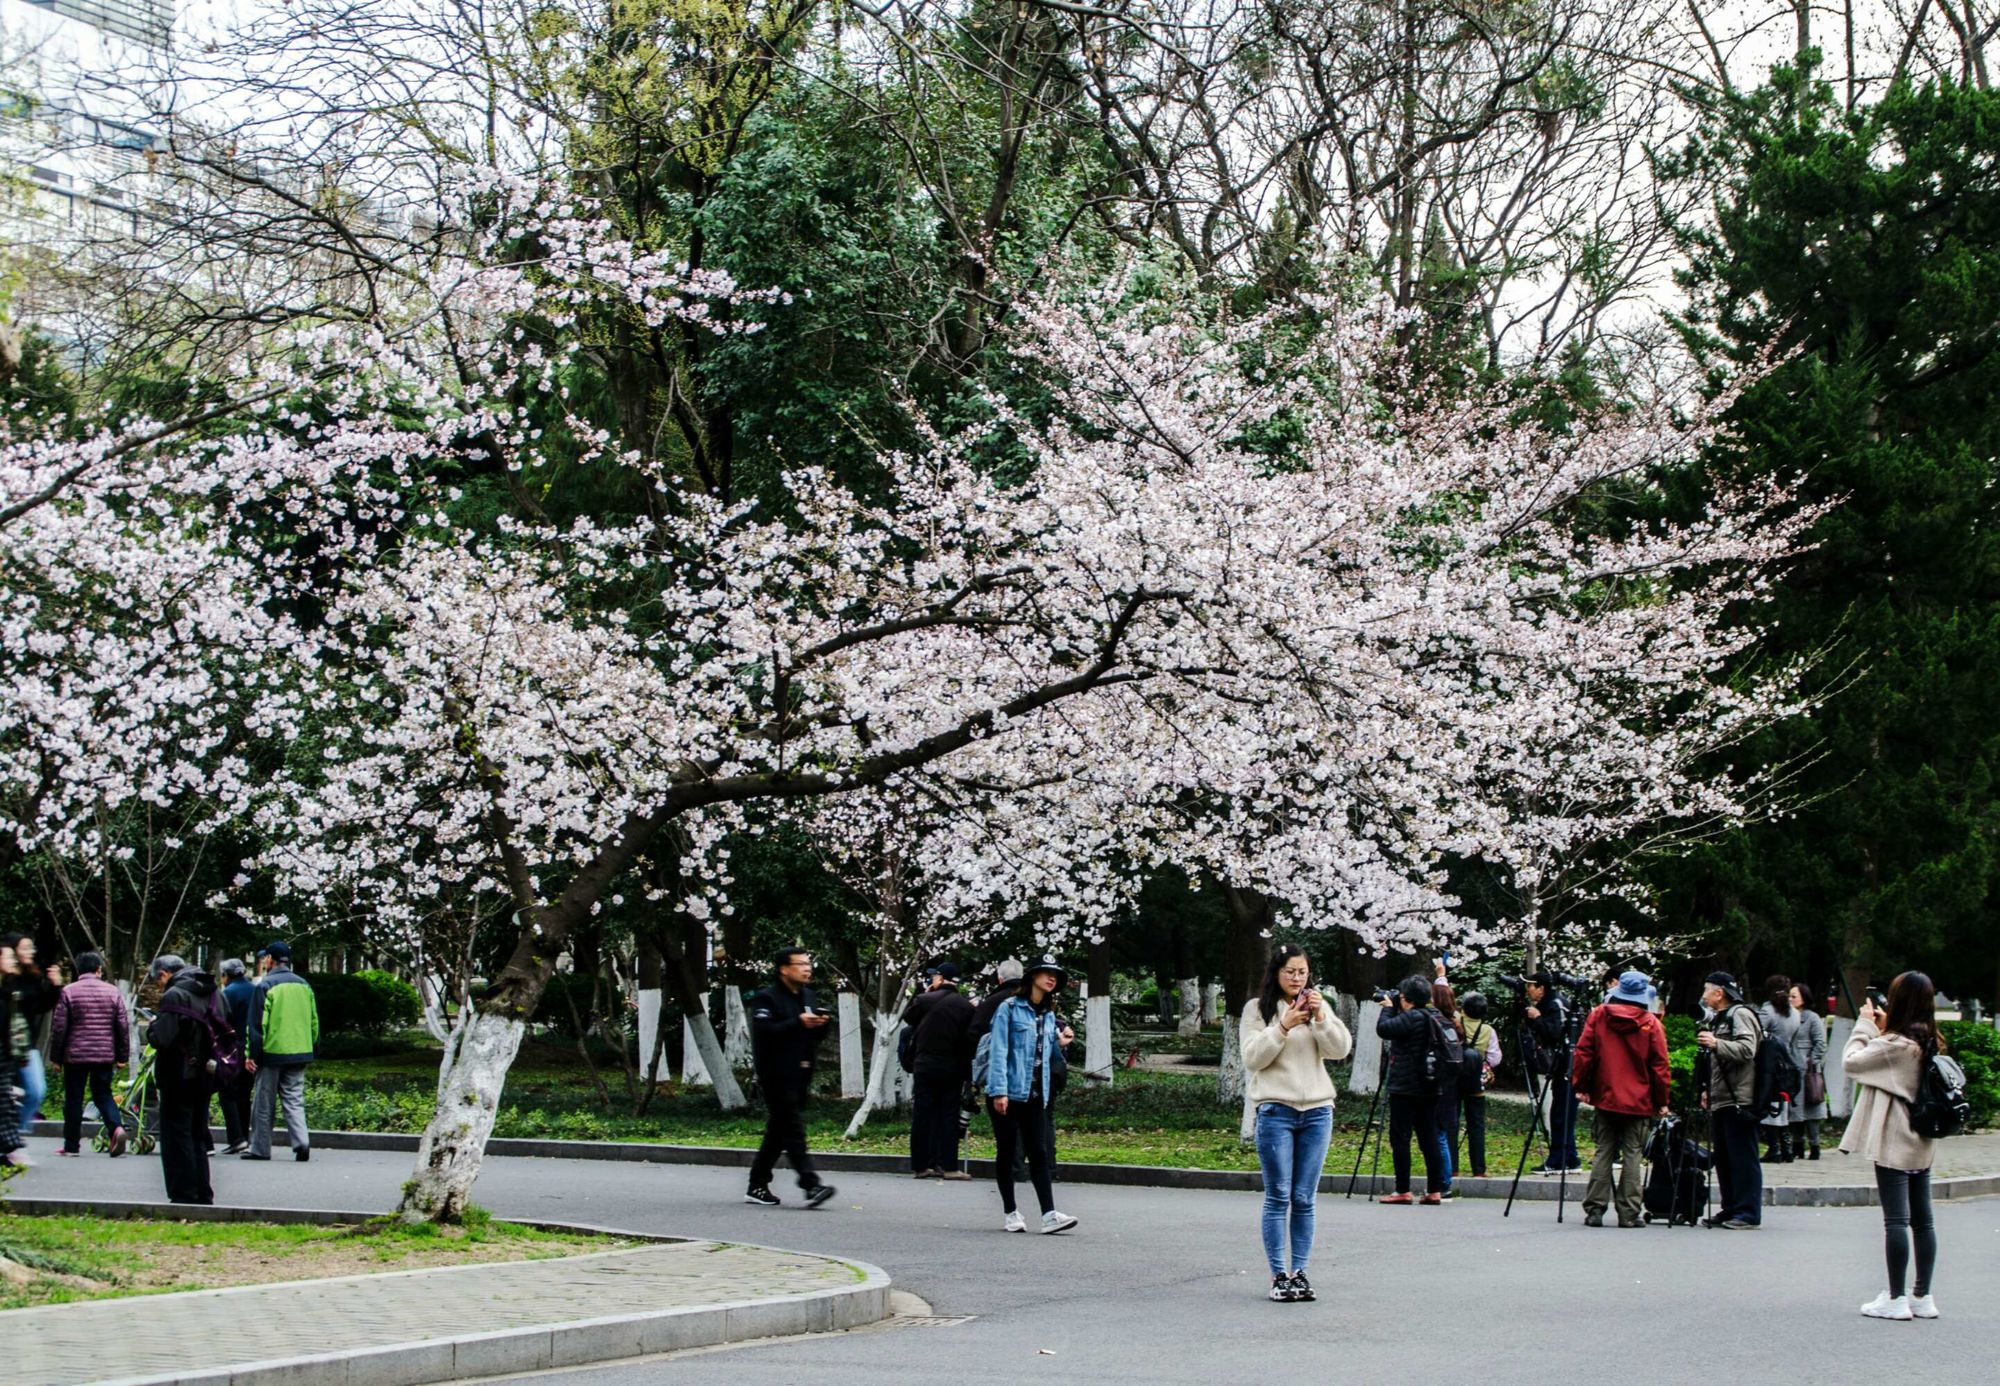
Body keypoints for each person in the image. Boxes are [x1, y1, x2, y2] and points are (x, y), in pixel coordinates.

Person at [1240, 944, 1352, 1302]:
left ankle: (1300, 1271)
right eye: (1290, 971)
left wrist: (1320, 1019)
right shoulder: (1257, 1010)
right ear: (1276, 973)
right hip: (1276, 1110)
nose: (1296, 978)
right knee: (1279, 1196)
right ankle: (1278, 1275)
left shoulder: (1320, 1006)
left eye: (1302, 972)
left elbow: (1339, 1050)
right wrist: (1283, 1026)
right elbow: (1253, 1058)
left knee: (1304, 1197)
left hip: (1318, 1111)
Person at [1842, 971, 1942, 1320]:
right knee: (1923, 1222)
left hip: (1893, 1138)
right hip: (1922, 1140)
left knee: (1896, 1221)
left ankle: (1896, 1298)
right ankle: (1922, 1296)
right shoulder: (1928, 1038)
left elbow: (1852, 1062)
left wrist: (1864, 1026)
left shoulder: (1894, 1045)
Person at [1572, 970, 1671, 1228]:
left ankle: (1595, 1209)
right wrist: (1662, 1100)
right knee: (1633, 1154)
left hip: (1606, 1094)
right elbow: (1660, 1066)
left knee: (1604, 1150)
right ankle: (1629, 1213)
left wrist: (1581, 1085)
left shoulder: (1599, 1016)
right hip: (1639, 1100)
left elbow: (1584, 1053)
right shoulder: (1651, 1024)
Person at [986, 958, 1078, 1233]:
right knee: (1007, 1152)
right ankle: (1010, 1212)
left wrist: (1059, 1044)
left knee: (1038, 1152)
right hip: (1008, 1093)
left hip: (1037, 1094)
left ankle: (1049, 1215)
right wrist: (999, 1090)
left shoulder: (1048, 1015)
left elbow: (1045, 1055)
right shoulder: (1009, 1008)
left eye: (1055, 977)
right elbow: (999, 1051)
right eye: (1047, 974)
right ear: (1033, 976)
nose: (1051, 980)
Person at [744, 948, 836, 1209]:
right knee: (792, 1127)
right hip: (775, 1072)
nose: (807, 969)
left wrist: (821, 1024)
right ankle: (811, 1184)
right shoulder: (766, 998)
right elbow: (765, 1032)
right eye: (801, 964)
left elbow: (812, 1036)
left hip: (801, 1070)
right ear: (784, 969)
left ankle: (757, 1184)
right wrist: (798, 1022)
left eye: (809, 964)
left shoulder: (808, 996)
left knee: (779, 1129)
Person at [146, 955, 225, 1204]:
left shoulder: (175, 995)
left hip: (177, 1074)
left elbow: (162, 1039)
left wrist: (152, 1026)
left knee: (176, 1135)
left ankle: (183, 1192)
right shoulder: (214, 992)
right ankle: (203, 1192)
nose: (160, 987)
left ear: (164, 974)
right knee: (198, 1133)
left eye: (158, 982)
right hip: (206, 1072)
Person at [1696, 971, 1763, 1229]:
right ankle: (1730, 1208)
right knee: (1724, 1158)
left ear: (1719, 992)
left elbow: (1748, 1050)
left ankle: (1748, 1212)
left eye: (1706, 990)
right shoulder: (1721, 1019)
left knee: (1743, 1158)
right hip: (1721, 1097)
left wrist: (1716, 1044)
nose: (1703, 996)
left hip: (1740, 1099)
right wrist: (1707, 1090)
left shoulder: (1740, 1015)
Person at [48, 950, 130, 1157]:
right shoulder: (112, 992)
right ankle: (116, 1128)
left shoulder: (68, 991)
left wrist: (56, 1058)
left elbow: (59, 1028)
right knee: (103, 1094)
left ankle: (71, 1145)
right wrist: (122, 1056)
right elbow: (122, 1026)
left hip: (75, 1056)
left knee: (73, 1098)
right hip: (104, 1054)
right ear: (98, 969)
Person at [243, 942, 318, 1162]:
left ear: (270, 959)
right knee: (294, 1100)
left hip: (272, 1053)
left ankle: (260, 1148)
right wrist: (312, 1046)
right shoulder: (304, 985)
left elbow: (257, 1025)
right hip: (300, 1050)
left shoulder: (265, 986)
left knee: (264, 1103)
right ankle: (302, 1141)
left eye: (264, 958)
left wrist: (251, 1054)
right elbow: (314, 1021)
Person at [1376, 975, 1446, 1205]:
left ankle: (1403, 1189)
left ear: (1407, 999)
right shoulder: (1435, 1015)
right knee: (1429, 1139)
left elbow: (1384, 1029)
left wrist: (1387, 1008)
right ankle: (1434, 1189)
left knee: (1400, 1138)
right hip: (1431, 1086)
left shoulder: (1411, 1017)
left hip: (1406, 1088)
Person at [905, 961, 975, 1179]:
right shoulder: (966, 1007)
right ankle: (949, 1167)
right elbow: (969, 1039)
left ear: (940, 979)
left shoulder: (924, 1000)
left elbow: (909, 1019)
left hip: (925, 1066)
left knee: (922, 1115)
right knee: (948, 1116)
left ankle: (920, 1166)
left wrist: (923, 994)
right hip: (952, 1068)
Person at [1, 934, 60, 1147]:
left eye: (31, 948)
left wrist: (54, 987)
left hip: (25, 1046)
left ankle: (15, 1133)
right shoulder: (7, 977)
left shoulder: (32, 977)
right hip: (5, 1047)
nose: (30, 952)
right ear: (12, 951)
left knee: (36, 1091)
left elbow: (41, 1006)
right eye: (25, 948)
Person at [1523, 973, 1581, 1173]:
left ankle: (1558, 1159)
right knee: (1561, 1111)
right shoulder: (1552, 1002)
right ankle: (1571, 1158)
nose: (1528, 990)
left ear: (1541, 988)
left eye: (1530, 986)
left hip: (1566, 1066)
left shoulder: (1555, 1005)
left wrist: (1537, 1018)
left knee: (1561, 1113)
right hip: (1562, 1067)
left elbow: (1556, 1034)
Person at [1453, 992, 1501, 1178]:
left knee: (1452, 1123)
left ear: (1463, 1009)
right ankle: (1479, 1170)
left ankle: (1453, 1168)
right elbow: (1495, 1058)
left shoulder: (1456, 1021)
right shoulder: (1488, 1030)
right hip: (1475, 1080)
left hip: (1455, 1078)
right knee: (1477, 1125)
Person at [1758, 974, 1803, 1163]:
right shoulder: (1795, 1013)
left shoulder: (1767, 1011)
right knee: (1783, 1105)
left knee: (1769, 1103)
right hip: (1789, 1062)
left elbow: (1757, 1036)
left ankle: (1774, 1148)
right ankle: (1786, 1147)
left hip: (1770, 1064)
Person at [218, 959, 257, 1154]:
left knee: (227, 1094)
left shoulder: (228, 993)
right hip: (251, 1050)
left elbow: (221, 1022)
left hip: (232, 1051)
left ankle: (236, 1138)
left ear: (226, 975)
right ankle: (245, 1137)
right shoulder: (255, 989)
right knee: (244, 1094)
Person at [1787, 982, 1828, 1158]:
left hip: (1809, 1071)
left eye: (1794, 996)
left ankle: (1815, 1145)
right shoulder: (1787, 1016)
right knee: (1794, 1110)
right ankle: (1797, 1145)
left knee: (1811, 1110)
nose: (1790, 999)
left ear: (1804, 998)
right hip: (1792, 1067)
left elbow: (1820, 1043)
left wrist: (1811, 1060)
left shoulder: (1812, 1018)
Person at [1430, 977, 1463, 1196]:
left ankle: (1444, 1182)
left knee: (1438, 1135)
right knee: (1441, 1133)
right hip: (1451, 1087)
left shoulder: (1436, 1023)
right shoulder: (1455, 1024)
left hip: (1438, 1086)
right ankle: (1444, 1180)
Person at [0, 939, 27, 1168]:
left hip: (5, 1053)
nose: (12, 961)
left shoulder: (10, 988)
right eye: (7, 957)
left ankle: (8, 1147)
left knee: (5, 1099)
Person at [969, 959, 1023, 1041]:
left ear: (1000, 979)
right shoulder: (1032, 998)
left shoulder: (991, 1002)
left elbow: (974, 1033)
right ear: (1022, 976)